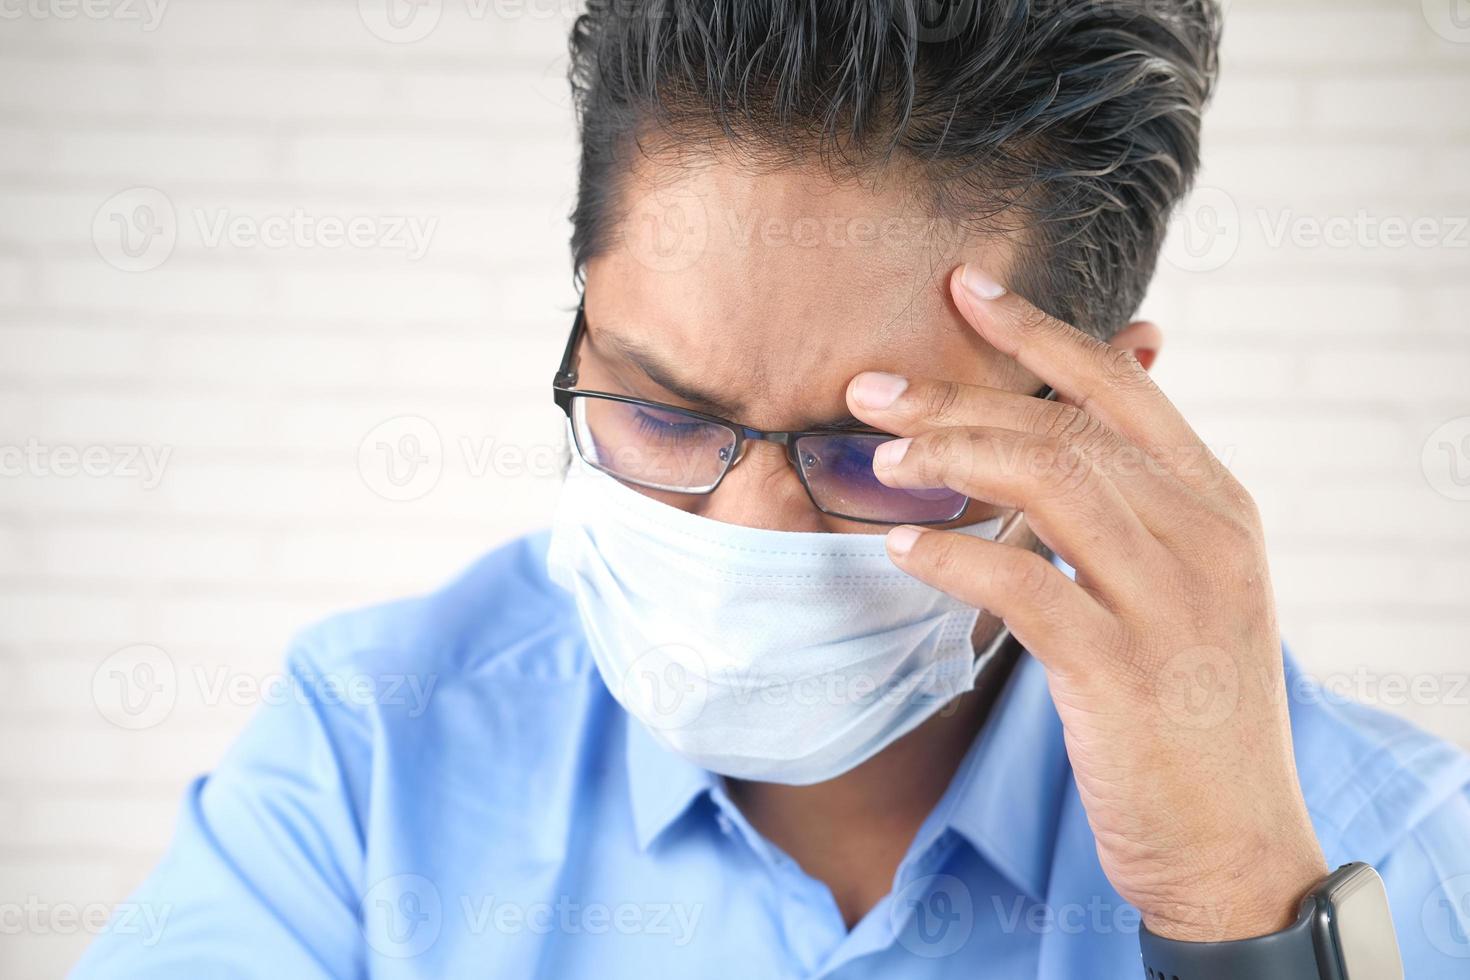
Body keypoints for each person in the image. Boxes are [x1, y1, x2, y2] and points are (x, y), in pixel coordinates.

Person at [74, 2, 1470, 977]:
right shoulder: (375, 751)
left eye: (877, 451)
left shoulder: (1381, 847)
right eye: (665, 413)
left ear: (1104, 417)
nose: (745, 540)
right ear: (578, 332)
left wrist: (1239, 921)